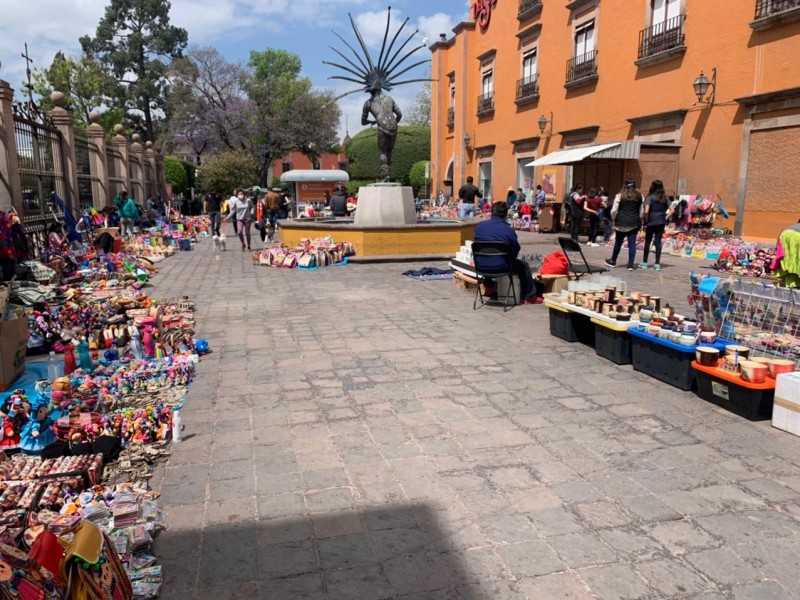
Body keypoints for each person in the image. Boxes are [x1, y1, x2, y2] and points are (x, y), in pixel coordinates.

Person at [474, 201, 543, 305]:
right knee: (524, 266)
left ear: (491, 212)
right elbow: (515, 250)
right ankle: (529, 296)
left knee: (488, 255)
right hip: (502, 266)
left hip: (480, 266)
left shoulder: (480, 227)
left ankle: (488, 286)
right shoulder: (508, 230)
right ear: (506, 215)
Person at [361, 80, 402, 180]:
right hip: (393, 126)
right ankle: (389, 174)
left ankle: (385, 174)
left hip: (381, 125)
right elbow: (400, 114)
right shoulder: (390, 99)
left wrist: (371, 122)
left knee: (382, 152)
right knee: (389, 152)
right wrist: (394, 124)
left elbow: (363, 121)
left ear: (370, 90)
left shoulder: (367, 104)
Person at [605, 179, 644, 271]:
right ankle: (630, 265)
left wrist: (614, 218)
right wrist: (640, 219)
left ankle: (613, 261)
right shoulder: (640, 196)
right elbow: (641, 211)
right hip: (634, 222)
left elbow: (614, 210)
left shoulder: (619, 195)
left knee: (618, 242)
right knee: (632, 244)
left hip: (621, 222)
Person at [640, 179, 671, 270]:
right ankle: (657, 264)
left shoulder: (650, 197)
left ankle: (645, 263)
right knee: (658, 242)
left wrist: (646, 219)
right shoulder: (665, 198)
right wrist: (665, 218)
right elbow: (672, 210)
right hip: (661, 222)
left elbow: (646, 211)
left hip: (651, 222)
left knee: (647, 242)